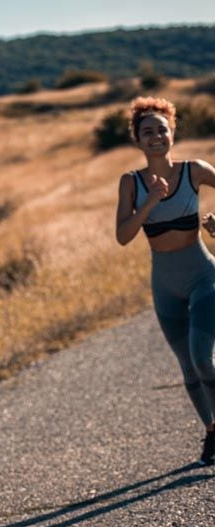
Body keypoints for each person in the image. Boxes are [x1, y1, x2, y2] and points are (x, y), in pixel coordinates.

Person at [115, 96, 215, 466]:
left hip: (204, 277)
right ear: (137, 140)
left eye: (162, 129)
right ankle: (211, 430)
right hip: (165, 284)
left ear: (173, 134)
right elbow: (123, 236)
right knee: (188, 368)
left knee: (204, 360)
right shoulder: (131, 183)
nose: (156, 136)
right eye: (147, 131)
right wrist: (150, 202)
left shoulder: (195, 170)